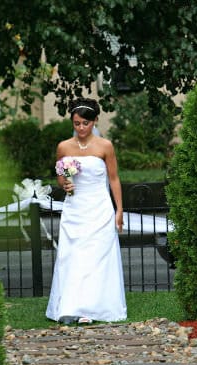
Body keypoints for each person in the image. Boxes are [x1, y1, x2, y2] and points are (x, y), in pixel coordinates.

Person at [45, 97, 127, 325]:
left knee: (98, 256)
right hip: (75, 208)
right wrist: (65, 184)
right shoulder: (64, 147)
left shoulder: (105, 146)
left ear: (95, 121)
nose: (81, 128)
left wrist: (119, 210)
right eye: (77, 123)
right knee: (73, 256)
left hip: (100, 207)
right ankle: (71, 306)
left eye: (85, 123)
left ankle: (94, 307)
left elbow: (114, 178)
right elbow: (60, 177)